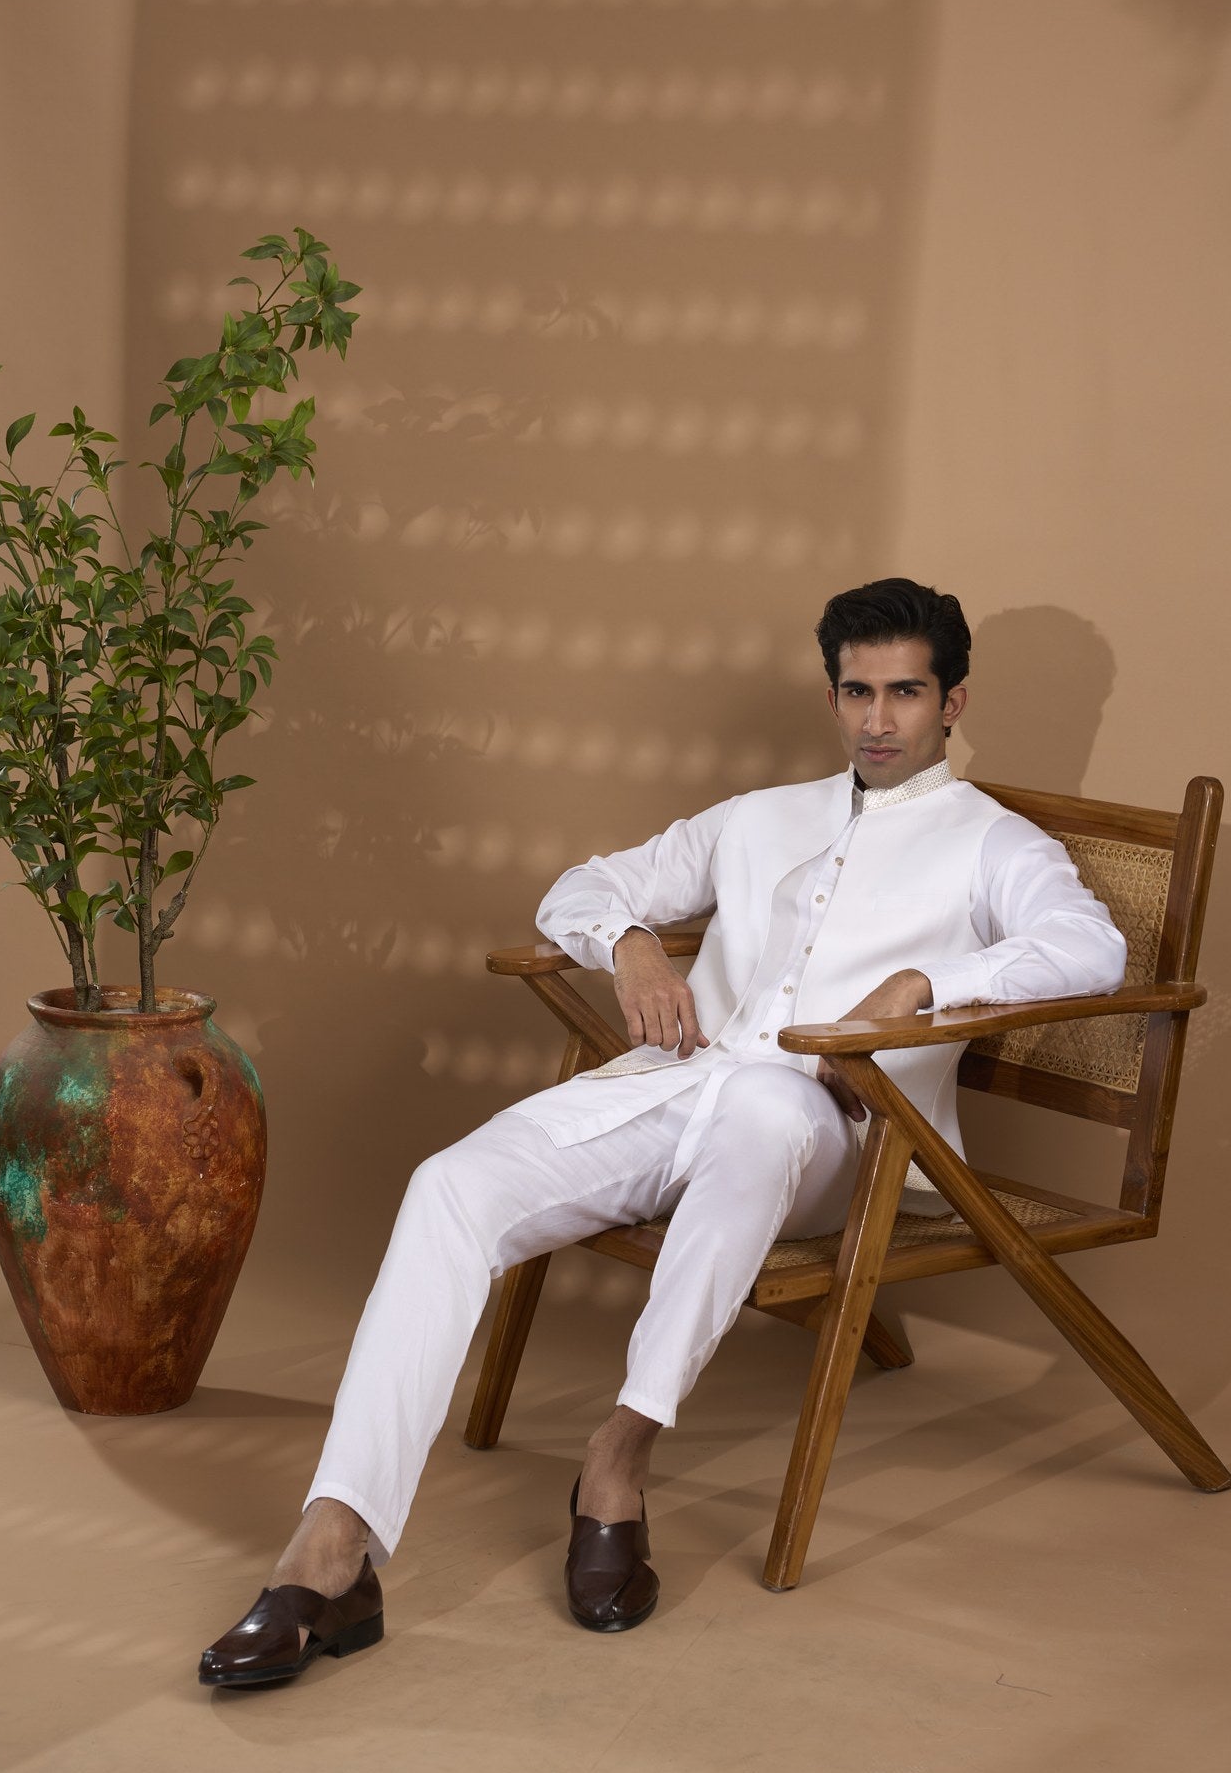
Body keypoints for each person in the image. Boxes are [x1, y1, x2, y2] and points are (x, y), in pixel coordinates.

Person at [199, 578, 1126, 1687]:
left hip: (834, 1132)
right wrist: (633, 944)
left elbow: (1090, 949)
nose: (878, 720)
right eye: (857, 693)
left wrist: (923, 985)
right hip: (678, 1087)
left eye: (906, 693)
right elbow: (580, 888)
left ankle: (617, 1458)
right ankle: (334, 1545)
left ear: (952, 701)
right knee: (449, 1186)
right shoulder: (760, 816)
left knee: (765, 1105)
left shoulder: (992, 842)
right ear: (832, 697)